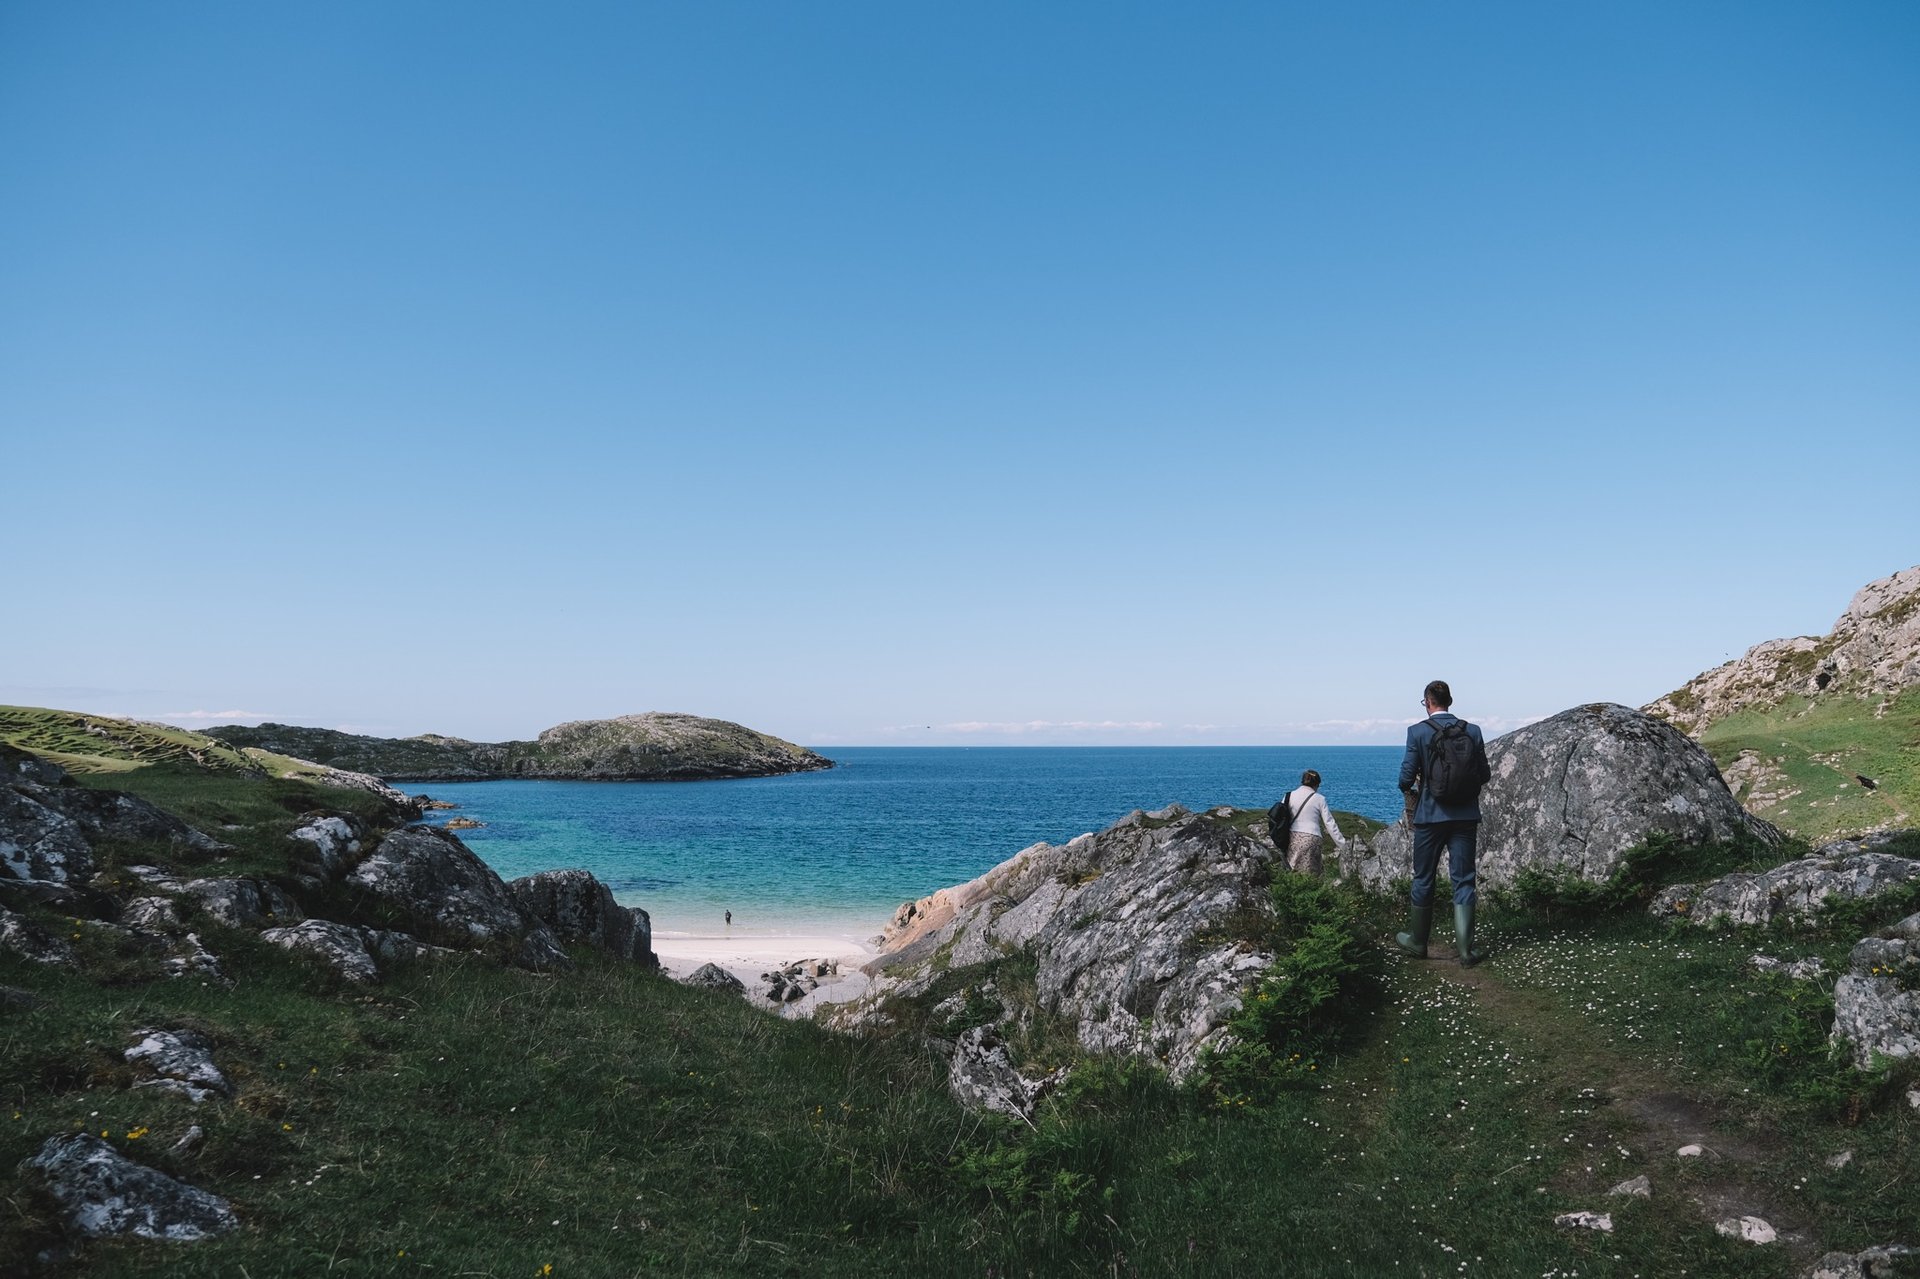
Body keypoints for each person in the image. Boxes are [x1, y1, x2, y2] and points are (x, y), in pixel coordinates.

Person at [1394, 680, 1491, 965]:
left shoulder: (1417, 732)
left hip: (1429, 817)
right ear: (1450, 700)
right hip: (1465, 816)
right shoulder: (1472, 731)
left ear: (1427, 702)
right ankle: (1465, 951)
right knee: (1464, 879)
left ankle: (1418, 942)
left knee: (1424, 877)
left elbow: (1405, 778)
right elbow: (1484, 774)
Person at [1283, 769, 1345, 874]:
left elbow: (1282, 817)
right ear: (1316, 784)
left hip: (1292, 838)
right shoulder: (1320, 799)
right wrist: (1343, 845)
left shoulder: (1288, 796)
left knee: (1292, 871)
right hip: (1312, 838)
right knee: (1312, 873)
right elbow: (1329, 823)